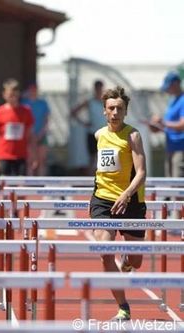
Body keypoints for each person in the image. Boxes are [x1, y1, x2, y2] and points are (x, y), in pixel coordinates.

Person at [90, 86, 147, 321]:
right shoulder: (99, 135)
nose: (115, 112)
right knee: (104, 252)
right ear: (104, 111)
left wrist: (126, 194)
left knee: (137, 261)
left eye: (119, 108)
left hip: (131, 200)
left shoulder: (133, 136)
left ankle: (126, 261)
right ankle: (123, 306)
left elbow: (141, 172)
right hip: (103, 199)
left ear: (125, 112)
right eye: (111, 108)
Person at [0, 78, 34, 176]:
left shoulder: (26, 111)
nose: (12, 98)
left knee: (21, 184)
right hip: (4, 155)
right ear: (4, 95)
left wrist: (32, 157)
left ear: (18, 94)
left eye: (15, 95)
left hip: (21, 155)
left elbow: (30, 135)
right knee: (4, 184)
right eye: (10, 95)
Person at [149, 71, 183, 178]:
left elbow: (182, 125)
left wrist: (162, 123)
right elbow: (170, 126)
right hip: (170, 147)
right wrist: (156, 127)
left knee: (178, 183)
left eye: (169, 86)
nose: (167, 90)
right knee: (170, 182)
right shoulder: (172, 101)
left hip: (181, 148)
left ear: (176, 83)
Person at [71, 80, 105, 175]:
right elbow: (73, 112)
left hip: (105, 133)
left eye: (100, 89)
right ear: (94, 89)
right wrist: (83, 123)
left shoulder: (106, 102)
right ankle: (91, 182)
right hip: (92, 133)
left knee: (105, 158)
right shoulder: (90, 101)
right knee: (92, 158)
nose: (99, 91)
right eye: (97, 89)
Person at [22, 83, 50, 176]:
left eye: (35, 89)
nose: (33, 92)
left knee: (42, 160)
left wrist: (41, 133)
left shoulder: (43, 103)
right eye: (31, 89)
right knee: (30, 161)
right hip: (29, 135)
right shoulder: (24, 103)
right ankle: (29, 184)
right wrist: (30, 133)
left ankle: (41, 183)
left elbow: (46, 120)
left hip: (41, 134)